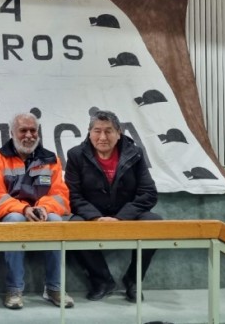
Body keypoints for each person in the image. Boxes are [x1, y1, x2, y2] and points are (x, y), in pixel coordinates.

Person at [65, 110, 161, 303]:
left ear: (119, 133)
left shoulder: (135, 153)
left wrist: (121, 217)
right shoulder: (75, 155)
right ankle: (102, 281)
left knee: (155, 223)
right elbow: (73, 195)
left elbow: (149, 193)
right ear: (89, 133)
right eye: (97, 131)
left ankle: (133, 281)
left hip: (126, 213)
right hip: (92, 214)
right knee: (73, 227)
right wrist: (95, 217)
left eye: (108, 131)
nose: (102, 137)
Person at [0, 112, 74, 310]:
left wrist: (43, 207)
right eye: (23, 130)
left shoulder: (51, 159)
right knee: (15, 219)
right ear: (12, 132)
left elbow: (61, 196)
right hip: (10, 216)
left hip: (43, 212)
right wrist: (23, 209)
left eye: (33, 130)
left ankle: (54, 287)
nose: (29, 135)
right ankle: (14, 289)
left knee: (56, 221)